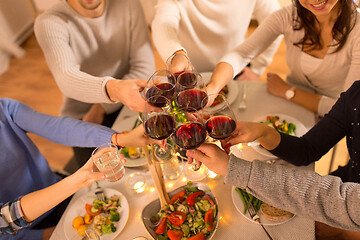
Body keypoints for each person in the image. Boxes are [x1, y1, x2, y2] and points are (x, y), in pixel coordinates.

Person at [187, 81, 360, 239]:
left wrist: (231, 168)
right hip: (341, 183)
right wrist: (263, 132)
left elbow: (330, 200)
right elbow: (308, 150)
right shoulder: (357, 94)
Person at [0, 97, 155, 239]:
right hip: (24, 233)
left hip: (58, 191)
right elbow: (4, 222)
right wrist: (45, 235)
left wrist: (119, 138)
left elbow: (57, 127)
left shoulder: (3, 108)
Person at [34, 0, 155, 166]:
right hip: (84, 120)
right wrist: (113, 89)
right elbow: (66, 79)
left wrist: (102, 106)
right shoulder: (49, 22)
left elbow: (145, 67)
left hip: (127, 103)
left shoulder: (128, 4)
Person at [207, 0, 360, 117]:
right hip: (293, 104)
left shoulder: (357, 30)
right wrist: (213, 88)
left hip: (333, 114)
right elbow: (242, 54)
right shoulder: (289, 16)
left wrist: (289, 92)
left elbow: (346, 109)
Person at [151, 0, 282, 80]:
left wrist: (257, 68)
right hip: (188, 72)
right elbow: (162, 21)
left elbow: (277, 22)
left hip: (235, 71)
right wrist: (176, 53)